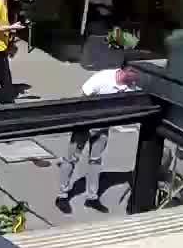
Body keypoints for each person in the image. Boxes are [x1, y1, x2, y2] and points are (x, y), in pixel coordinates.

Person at [55, 66, 138, 213]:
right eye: (136, 74)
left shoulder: (130, 86)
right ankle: (62, 196)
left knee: (95, 162)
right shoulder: (102, 78)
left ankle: (92, 198)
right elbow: (82, 97)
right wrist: (79, 121)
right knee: (71, 159)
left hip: (103, 126)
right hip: (85, 124)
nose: (137, 78)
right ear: (127, 71)